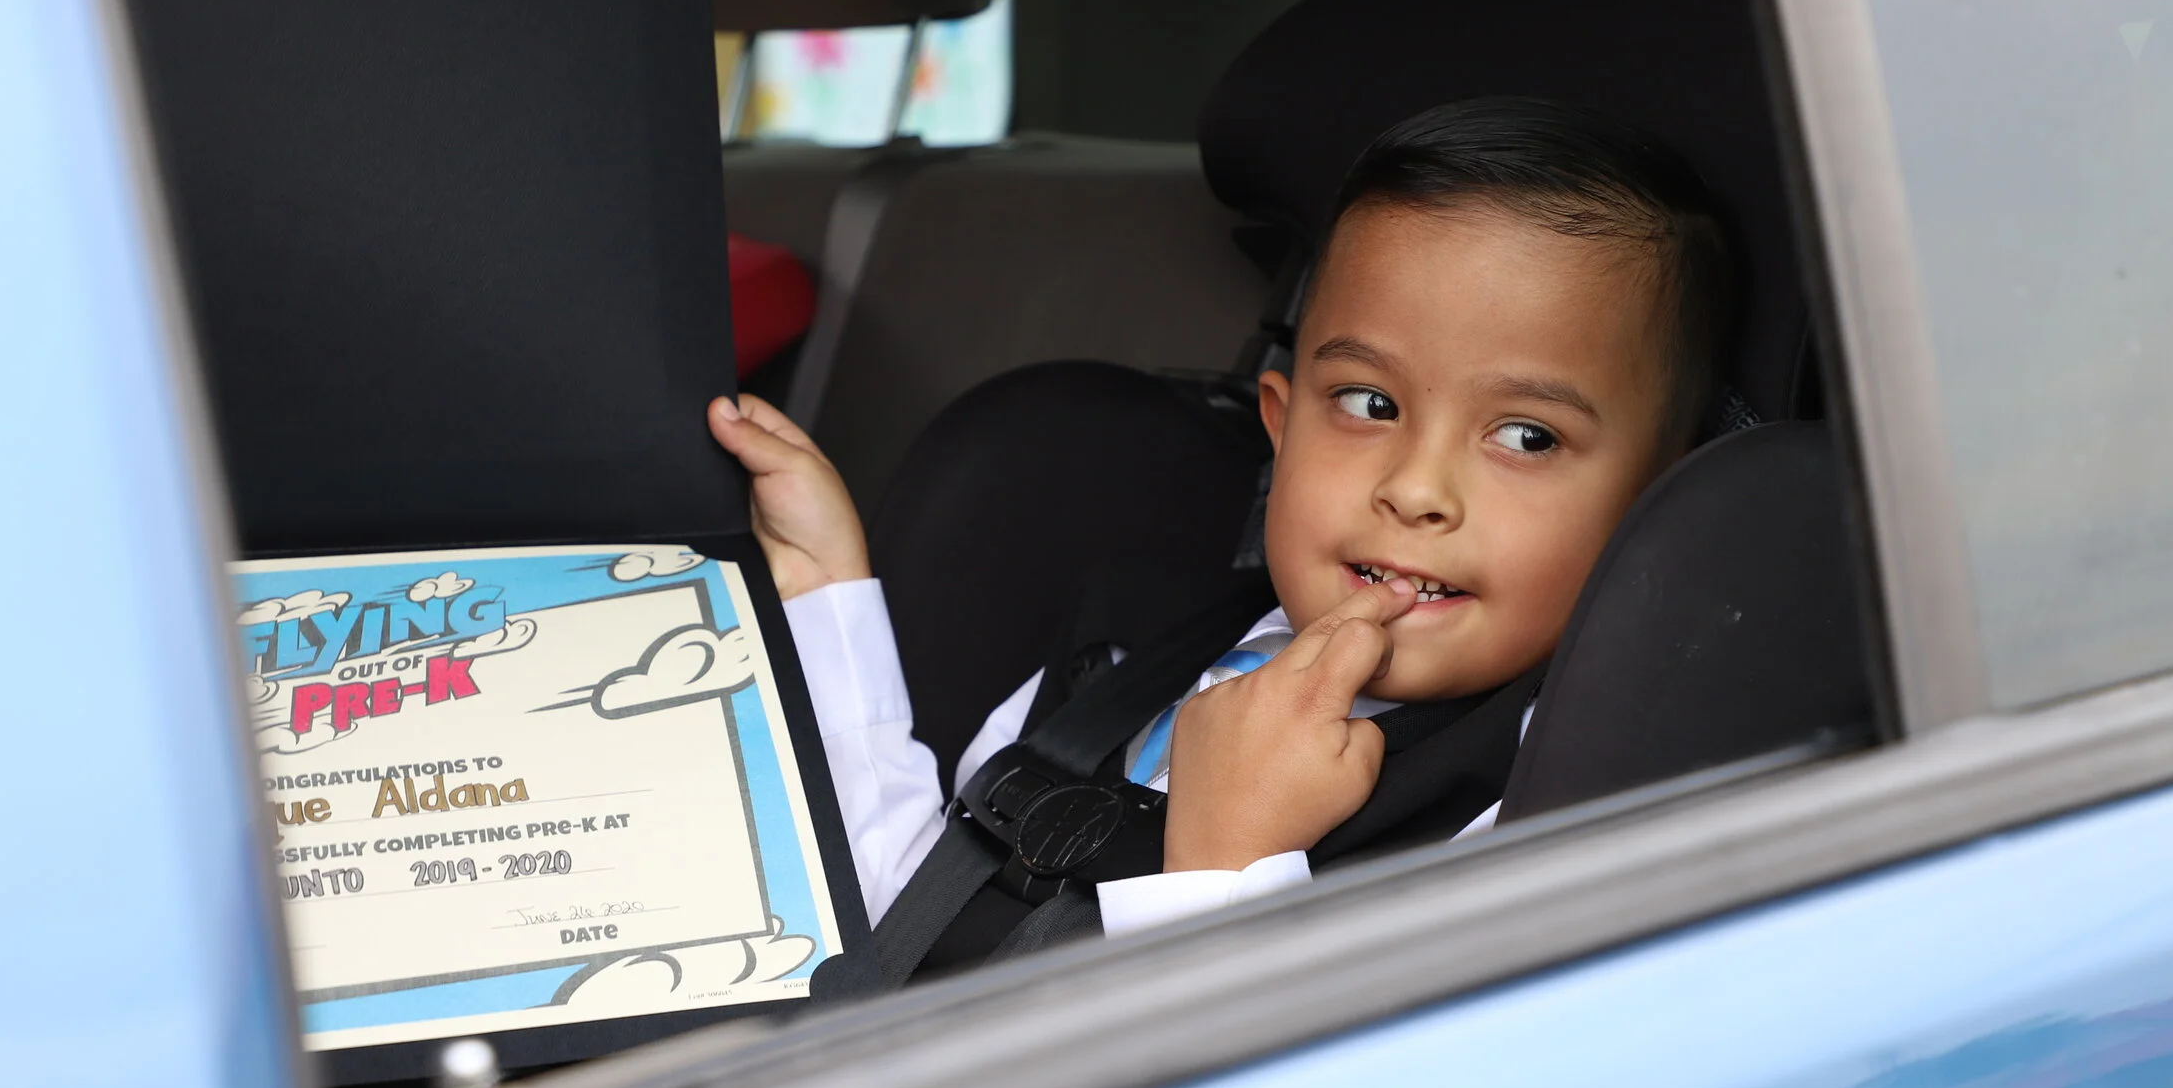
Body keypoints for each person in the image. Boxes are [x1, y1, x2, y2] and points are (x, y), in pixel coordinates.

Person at [708, 96, 1734, 963]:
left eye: (1526, 435)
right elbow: (912, 928)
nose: (1417, 488)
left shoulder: (1548, 808)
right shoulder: (1127, 660)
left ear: (1661, 502)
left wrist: (1225, 865)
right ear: (1280, 428)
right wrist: (823, 590)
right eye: (1369, 404)